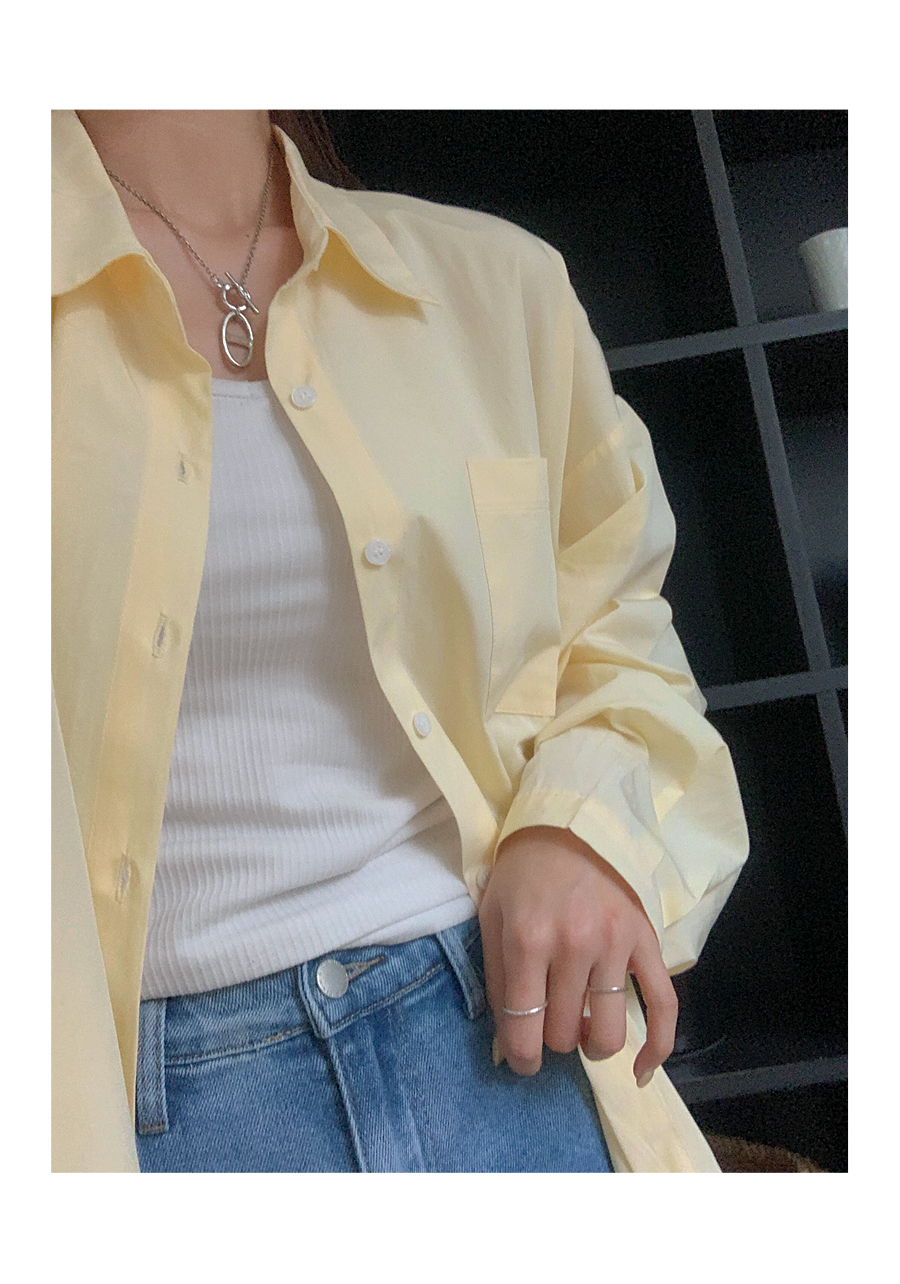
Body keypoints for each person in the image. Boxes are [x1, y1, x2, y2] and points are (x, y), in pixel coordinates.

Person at [51, 108, 750, 1172]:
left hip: (500, 1039)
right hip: (151, 1110)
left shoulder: (494, 287)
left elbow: (618, 627)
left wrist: (577, 829)